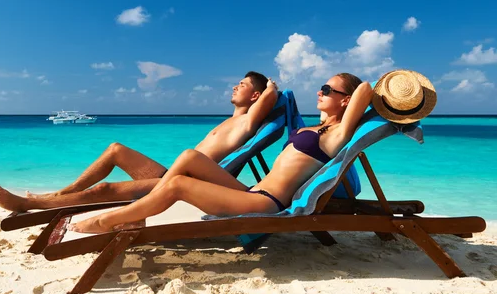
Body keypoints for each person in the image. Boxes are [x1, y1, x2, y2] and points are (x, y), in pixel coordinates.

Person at [68, 73, 373, 233]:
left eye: (327, 88)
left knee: (177, 185)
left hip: (268, 202)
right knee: (189, 156)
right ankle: (140, 212)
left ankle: (112, 219)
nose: (320, 92)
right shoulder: (313, 129)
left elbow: (366, 89)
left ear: (346, 101)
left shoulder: (338, 136)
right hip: (252, 191)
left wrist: (389, 92)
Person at [0, 71, 278, 212]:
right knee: (116, 149)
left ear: (255, 96)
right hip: (171, 173)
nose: (234, 86)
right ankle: (61, 193)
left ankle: (32, 205)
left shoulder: (247, 122)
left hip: (189, 181)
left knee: (105, 189)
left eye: (242, 85)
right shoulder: (229, 120)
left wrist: (271, 87)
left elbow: (271, 96)